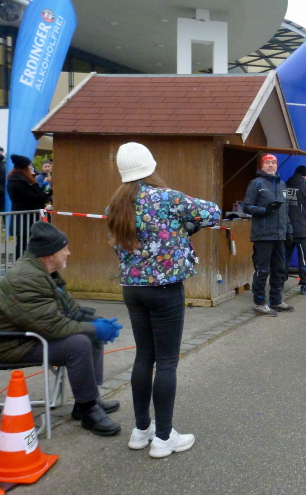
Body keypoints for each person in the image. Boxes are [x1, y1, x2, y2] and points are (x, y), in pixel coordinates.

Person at [107, 142, 221, 457]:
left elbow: (120, 244)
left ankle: (141, 430)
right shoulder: (167, 197)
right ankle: (163, 437)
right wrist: (185, 227)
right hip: (165, 288)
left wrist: (176, 230)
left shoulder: (115, 205)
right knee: (167, 362)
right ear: (150, 166)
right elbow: (212, 212)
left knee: (144, 357)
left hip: (132, 288)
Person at [0, 221, 124, 436]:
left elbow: (70, 309)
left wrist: (98, 321)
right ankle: (89, 411)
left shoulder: (42, 272)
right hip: (6, 344)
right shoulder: (27, 279)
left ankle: (87, 400)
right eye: (65, 249)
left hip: (27, 336)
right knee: (79, 343)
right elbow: (53, 327)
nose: (68, 253)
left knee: (89, 335)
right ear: (51, 254)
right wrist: (93, 328)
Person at [244, 153, 294, 316]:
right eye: (268, 163)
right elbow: (247, 207)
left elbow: (285, 211)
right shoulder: (256, 183)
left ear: (277, 165)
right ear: (263, 165)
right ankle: (259, 302)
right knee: (263, 270)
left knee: (279, 269)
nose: (271, 165)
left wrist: (289, 230)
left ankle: (276, 300)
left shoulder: (282, 185)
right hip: (263, 235)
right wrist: (265, 210)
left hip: (279, 235)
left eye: (273, 162)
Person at [7, 154, 51, 260]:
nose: (30, 168)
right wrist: (46, 193)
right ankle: (20, 263)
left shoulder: (20, 180)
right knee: (23, 243)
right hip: (24, 217)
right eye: (29, 166)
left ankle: (25, 262)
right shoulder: (19, 182)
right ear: (24, 168)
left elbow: (36, 192)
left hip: (26, 216)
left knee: (26, 241)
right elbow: (32, 197)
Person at [286, 165, 306, 295]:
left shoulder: (284, 186)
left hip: (286, 228)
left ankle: (278, 284)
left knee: (284, 257)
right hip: (302, 229)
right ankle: (305, 286)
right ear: (305, 176)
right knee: (304, 258)